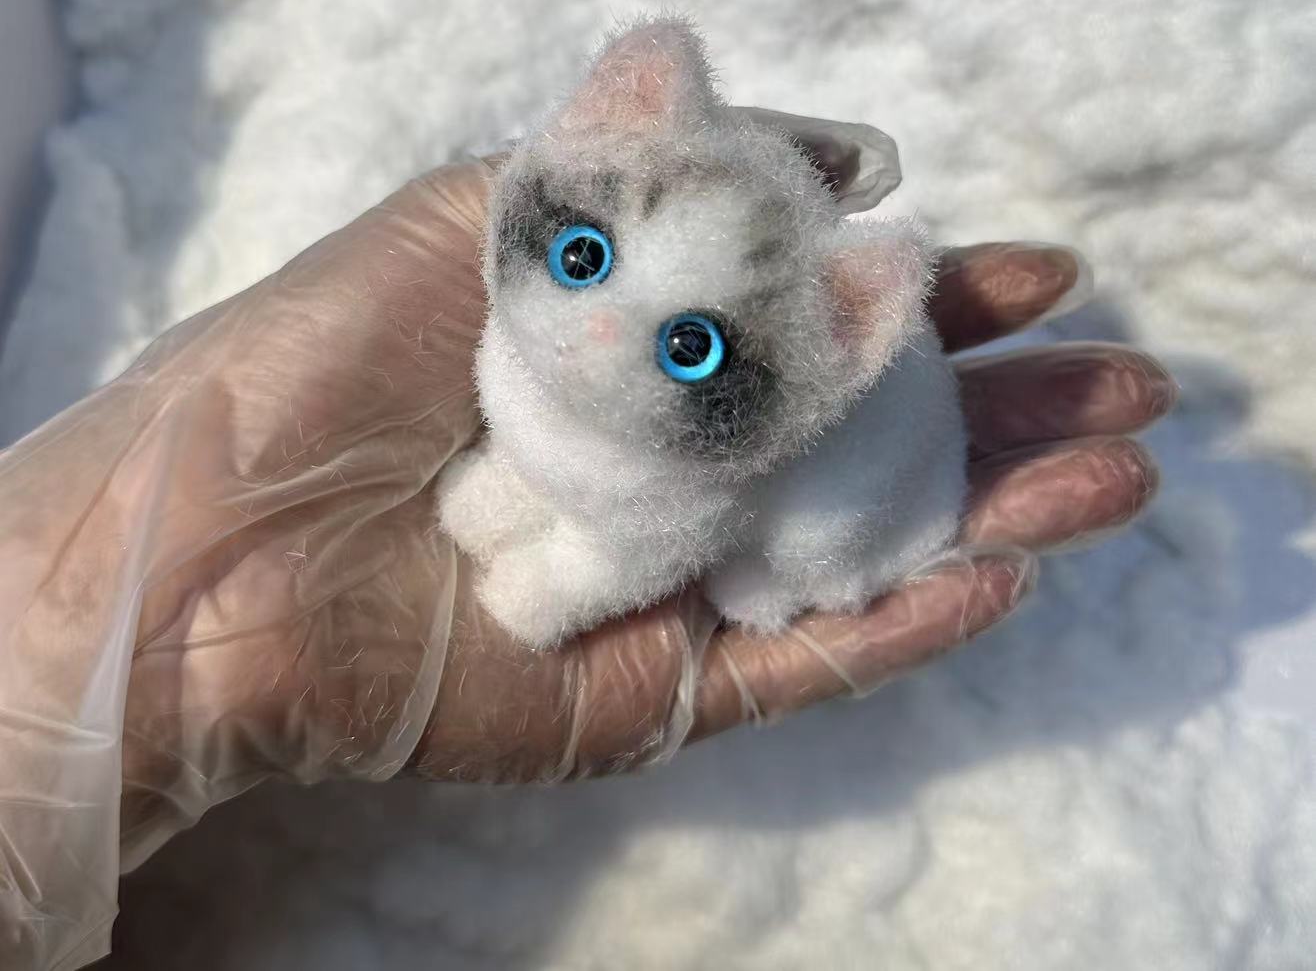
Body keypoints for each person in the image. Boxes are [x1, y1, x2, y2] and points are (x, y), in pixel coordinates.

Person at [0, 155, 1174, 970]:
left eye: (688, 342)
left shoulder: (694, 462)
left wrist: (543, 587)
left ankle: (787, 546)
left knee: (751, 546)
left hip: (827, 505)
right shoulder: (524, 359)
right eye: (580, 257)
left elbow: (629, 540)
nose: (594, 329)